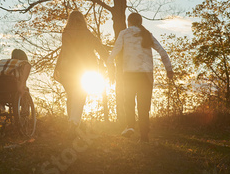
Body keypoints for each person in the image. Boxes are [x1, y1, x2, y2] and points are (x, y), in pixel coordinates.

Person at [107, 12, 174, 143]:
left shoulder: (124, 33)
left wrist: (110, 69)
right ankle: (144, 137)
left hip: (129, 74)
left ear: (129, 22)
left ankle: (130, 126)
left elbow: (114, 52)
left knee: (129, 102)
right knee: (144, 106)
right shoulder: (147, 35)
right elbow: (162, 52)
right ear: (140, 22)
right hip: (146, 75)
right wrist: (169, 69)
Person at [53, 11, 108, 127]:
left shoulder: (66, 33)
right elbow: (100, 48)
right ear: (82, 21)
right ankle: (74, 122)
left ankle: (71, 121)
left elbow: (64, 51)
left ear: (70, 21)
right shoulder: (87, 34)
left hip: (67, 69)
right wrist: (109, 61)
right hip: (85, 68)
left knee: (71, 96)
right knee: (80, 94)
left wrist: (57, 68)